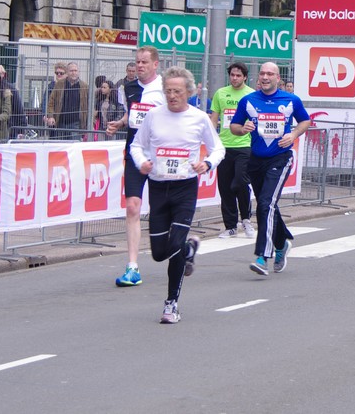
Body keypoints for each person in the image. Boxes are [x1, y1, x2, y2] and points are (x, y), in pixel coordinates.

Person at [129, 66, 225, 323]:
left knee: (174, 248)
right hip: (158, 187)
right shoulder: (153, 116)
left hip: (185, 188)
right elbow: (136, 145)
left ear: (189, 92)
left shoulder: (199, 118)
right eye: (168, 91)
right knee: (159, 253)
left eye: (177, 92)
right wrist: (142, 162)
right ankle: (189, 249)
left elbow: (218, 148)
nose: (172, 96)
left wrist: (207, 164)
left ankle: (171, 304)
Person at [229, 62, 311, 277]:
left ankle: (262, 257)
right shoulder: (248, 101)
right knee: (267, 205)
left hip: (280, 158)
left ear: (277, 78)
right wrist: (243, 129)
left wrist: (293, 135)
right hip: (256, 160)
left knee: (265, 204)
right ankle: (282, 243)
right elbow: (234, 126)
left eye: (270, 74)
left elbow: (305, 121)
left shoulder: (291, 100)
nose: (265, 77)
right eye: (262, 73)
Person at [107, 46, 165, 287]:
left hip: (161, 156)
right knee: (132, 207)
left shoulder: (165, 88)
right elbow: (131, 115)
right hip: (135, 153)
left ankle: (177, 249)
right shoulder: (128, 88)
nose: (139, 66)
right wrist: (120, 124)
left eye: (144, 62)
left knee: (163, 210)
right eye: (137, 62)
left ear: (155, 64)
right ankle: (132, 267)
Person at [210, 62, 256, 238]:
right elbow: (214, 119)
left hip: (244, 145)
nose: (235, 78)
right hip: (224, 146)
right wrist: (211, 140)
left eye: (238, 75)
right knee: (225, 187)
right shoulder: (220, 93)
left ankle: (246, 219)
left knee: (240, 182)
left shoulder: (251, 94)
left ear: (245, 77)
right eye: (232, 75)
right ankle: (230, 226)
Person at [46, 62, 89, 140]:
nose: (73, 73)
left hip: (76, 124)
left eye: (75, 70)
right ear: (67, 72)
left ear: (78, 72)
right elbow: (51, 101)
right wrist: (51, 116)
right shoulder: (59, 84)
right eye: (71, 71)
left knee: (74, 146)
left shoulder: (84, 86)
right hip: (60, 123)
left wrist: (89, 123)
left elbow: (90, 106)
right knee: (60, 146)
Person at [0, 64, 28, 137]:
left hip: (9, 128)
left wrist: (21, 130)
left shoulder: (10, 89)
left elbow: (19, 110)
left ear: (3, 74)